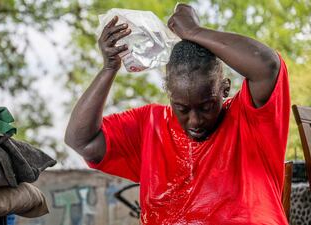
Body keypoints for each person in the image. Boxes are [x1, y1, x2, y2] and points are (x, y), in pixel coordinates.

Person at [65, 3, 290, 224]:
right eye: (182, 109)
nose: (195, 121)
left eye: (206, 106)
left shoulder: (249, 119)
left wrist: (194, 32)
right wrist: (109, 68)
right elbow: (82, 141)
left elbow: (267, 66)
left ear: (225, 89)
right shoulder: (149, 125)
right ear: (169, 96)